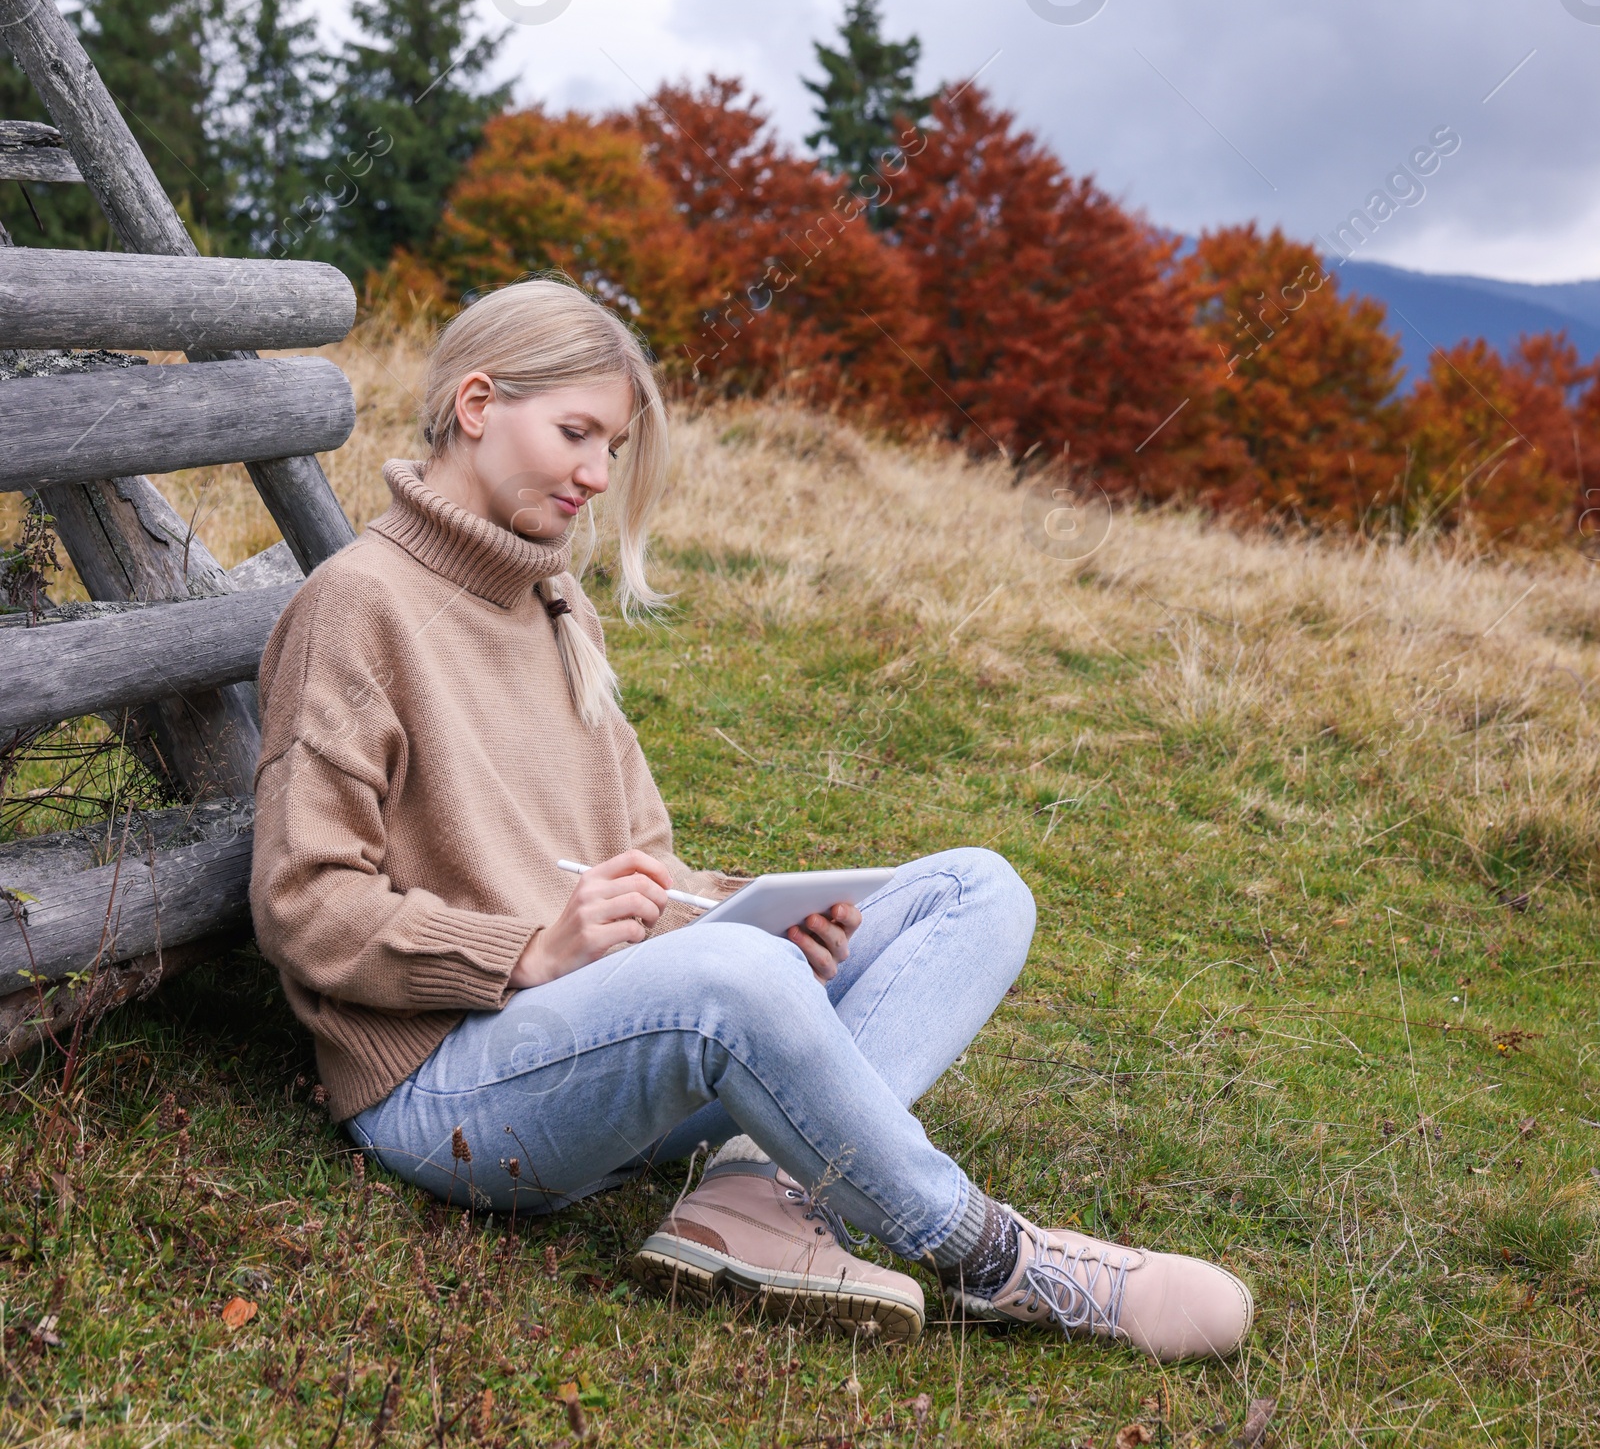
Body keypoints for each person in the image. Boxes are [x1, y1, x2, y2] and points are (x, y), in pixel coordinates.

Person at [250, 277, 1252, 1360]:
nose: (596, 474)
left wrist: (756, 924)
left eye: (612, 444)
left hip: (601, 1034)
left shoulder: (557, 603)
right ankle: (1003, 1260)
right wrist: (529, 949)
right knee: (740, 982)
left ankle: (760, 1192)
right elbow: (306, 902)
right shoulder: (357, 603)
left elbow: (646, 865)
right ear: (478, 403)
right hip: (444, 1089)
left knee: (976, 887)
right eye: (576, 432)